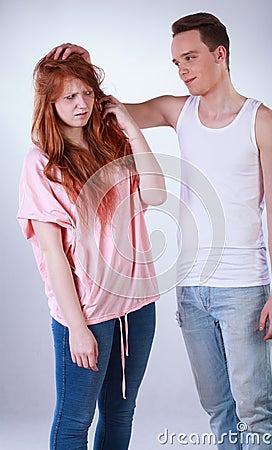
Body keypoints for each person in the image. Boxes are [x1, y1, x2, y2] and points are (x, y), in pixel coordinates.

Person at [48, 11, 272, 449]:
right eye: (176, 62)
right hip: (191, 289)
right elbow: (110, 112)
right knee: (218, 408)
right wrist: (82, 73)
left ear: (221, 55)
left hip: (244, 287)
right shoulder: (179, 112)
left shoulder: (264, 122)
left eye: (190, 58)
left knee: (255, 410)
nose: (182, 70)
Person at [17, 53, 166, 450]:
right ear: (49, 103)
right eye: (68, 97)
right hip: (87, 314)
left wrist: (132, 128)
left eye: (86, 93)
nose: (81, 104)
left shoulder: (113, 143)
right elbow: (52, 255)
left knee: (121, 412)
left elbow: (156, 192)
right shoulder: (42, 164)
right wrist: (77, 328)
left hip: (137, 306)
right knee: (73, 422)